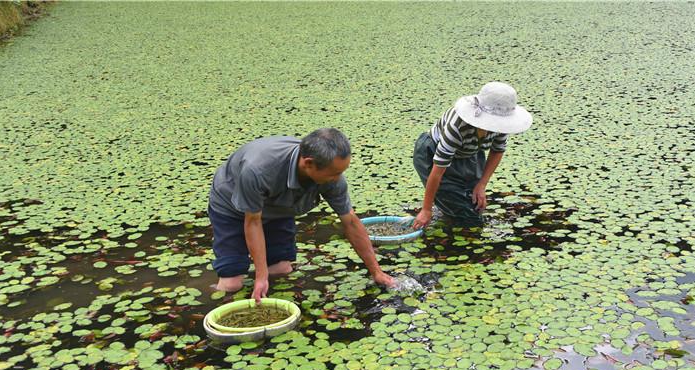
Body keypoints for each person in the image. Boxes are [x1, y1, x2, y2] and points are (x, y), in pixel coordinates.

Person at [207, 128, 396, 298]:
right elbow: (253, 222)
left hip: (280, 207)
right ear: (308, 163)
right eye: (334, 173)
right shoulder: (258, 170)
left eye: (341, 172)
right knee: (232, 284)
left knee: (281, 270)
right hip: (232, 207)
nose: (337, 179)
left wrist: (376, 271)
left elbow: (351, 222)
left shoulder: (331, 177)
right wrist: (260, 276)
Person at [412, 82, 533, 229]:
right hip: (432, 154)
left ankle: (447, 216)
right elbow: (437, 172)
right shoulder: (457, 127)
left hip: (469, 153)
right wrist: (426, 209)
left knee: (473, 203)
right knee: (464, 214)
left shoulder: (501, 126)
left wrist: (482, 184)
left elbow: (497, 150)